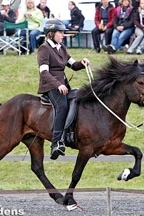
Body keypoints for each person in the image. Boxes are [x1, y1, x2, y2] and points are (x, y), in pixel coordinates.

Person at [37, 18, 89, 160]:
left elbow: (73, 65)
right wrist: (58, 85)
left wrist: (82, 63)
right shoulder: (44, 49)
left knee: (79, 96)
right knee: (62, 106)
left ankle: (71, 134)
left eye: (63, 32)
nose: (63, 35)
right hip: (51, 86)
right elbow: (44, 72)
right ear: (51, 33)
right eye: (60, 32)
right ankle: (56, 143)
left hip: (63, 86)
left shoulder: (61, 48)